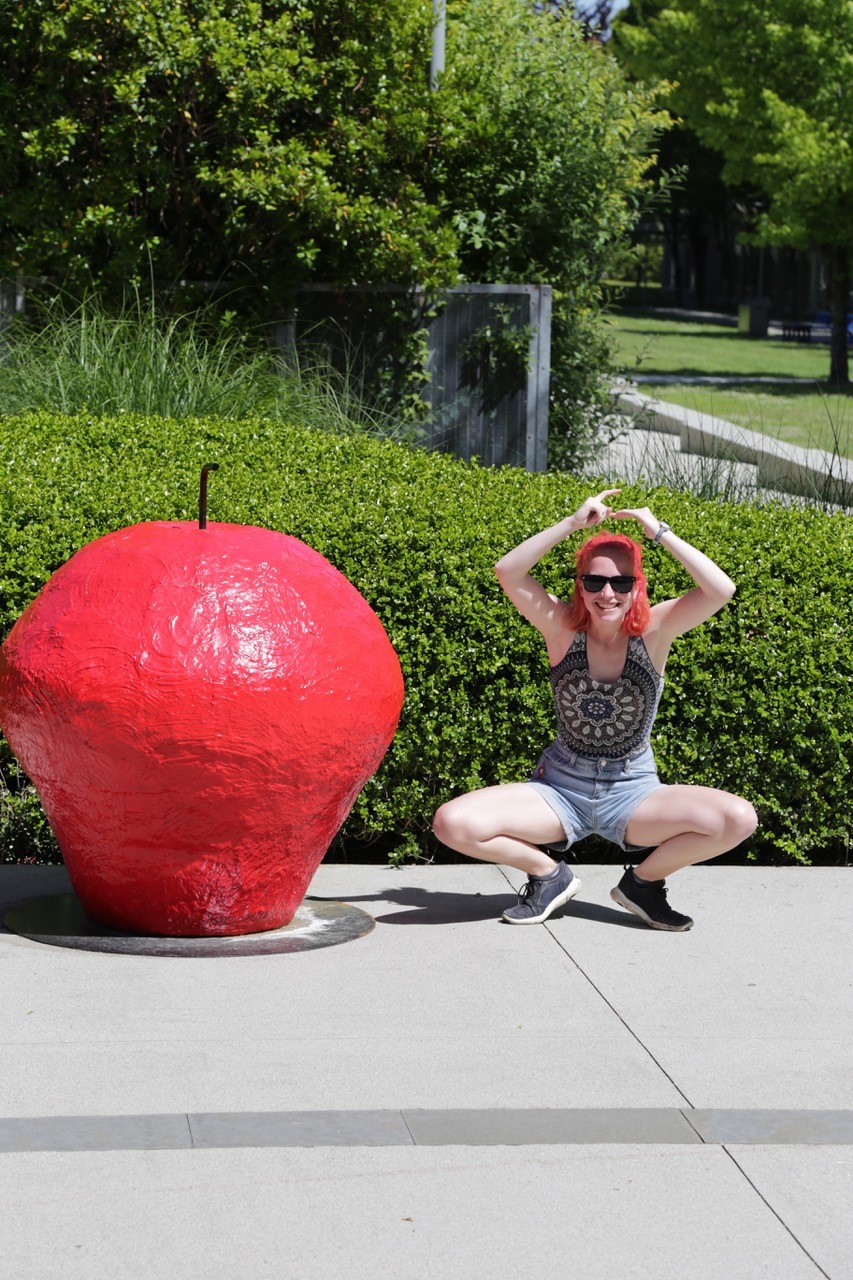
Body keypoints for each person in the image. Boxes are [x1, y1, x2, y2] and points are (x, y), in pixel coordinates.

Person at [432, 489, 757, 930]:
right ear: (580, 586)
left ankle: (642, 885)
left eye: (622, 583)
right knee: (452, 823)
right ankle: (549, 875)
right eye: (595, 582)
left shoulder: (655, 631)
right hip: (561, 788)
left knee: (738, 819)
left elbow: (721, 589)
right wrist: (571, 523)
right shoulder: (561, 628)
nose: (608, 593)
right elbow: (507, 571)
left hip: (633, 789)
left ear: (636, 587)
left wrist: (658, 531)